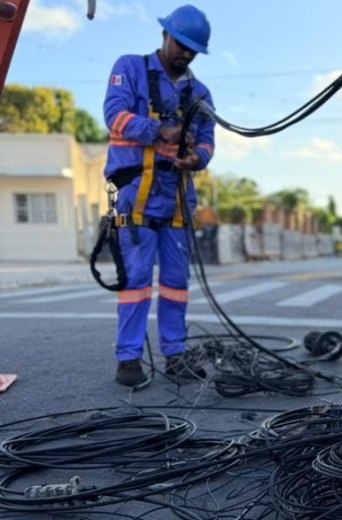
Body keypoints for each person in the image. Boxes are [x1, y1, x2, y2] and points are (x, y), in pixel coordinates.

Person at [103, 4, 215, 386]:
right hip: (136, 193)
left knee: (175, 283)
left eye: (193, 50)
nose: (186, 54)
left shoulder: (200, 94)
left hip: (178, 197)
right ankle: (128, 359)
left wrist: (197, 158)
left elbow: (208, 141)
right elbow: (114, 115)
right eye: (181, 45)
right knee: (136, 280)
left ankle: (175, 355)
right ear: (165, 35)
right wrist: (156, 131)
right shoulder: (130, 68)